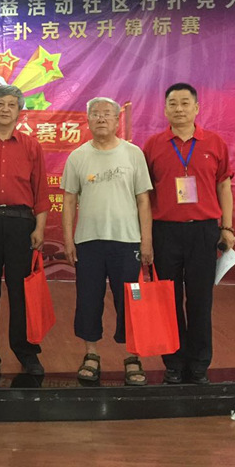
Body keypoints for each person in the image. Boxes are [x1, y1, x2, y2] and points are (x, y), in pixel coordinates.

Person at [143, 82, 235, 385]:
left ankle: (198, 364)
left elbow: (224, 186)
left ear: (196, 108)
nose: (179, 109)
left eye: (185, 103)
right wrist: (146, 237)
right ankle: (173, 362)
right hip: (165, 232)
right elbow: (144, 195)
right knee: (167, 301)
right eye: (173, 103)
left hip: (203, 232)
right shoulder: (153, 145)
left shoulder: (214, 143)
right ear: (164, 109)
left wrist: (227, 227)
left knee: (200, 300)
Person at [61, 97, 153, 386]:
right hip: (88, 241)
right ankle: (91, 354)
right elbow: (69, 200)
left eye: (107, 114)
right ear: (88, 120)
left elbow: (143, 200)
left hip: (127, 241)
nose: (101, 118)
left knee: (130, 301)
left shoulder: (133, 154)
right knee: (88, 299)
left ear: (117, 120)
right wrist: (68, 239)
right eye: (95, 114)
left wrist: (146, 241)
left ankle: (132, 357)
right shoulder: (78, 156)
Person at [0, 85, 50, 377]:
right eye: (0, 104)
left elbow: (40, 189)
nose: (5, 109)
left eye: (11, 105)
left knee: (21, 293)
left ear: (19, 111)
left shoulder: (31, 145)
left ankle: (26, 352)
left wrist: (40, 227)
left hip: (21, 224)